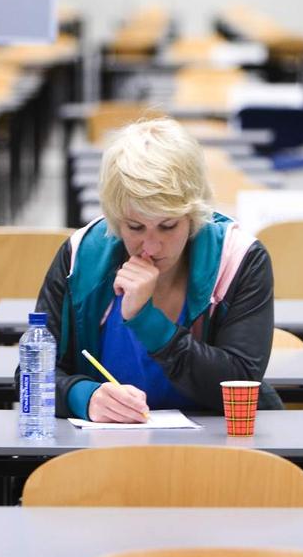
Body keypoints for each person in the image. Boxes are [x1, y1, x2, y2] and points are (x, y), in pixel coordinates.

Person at [33, 117, 281, 422]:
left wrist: (147, 321)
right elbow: (33, 373)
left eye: (167, 226)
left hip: (216, 454)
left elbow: (240, 385)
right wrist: (83, 396)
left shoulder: (239, 259)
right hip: (102, 454)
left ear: (193, 215)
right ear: (114, 218)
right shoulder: (82, 256)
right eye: (135, 227)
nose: (150, 246)